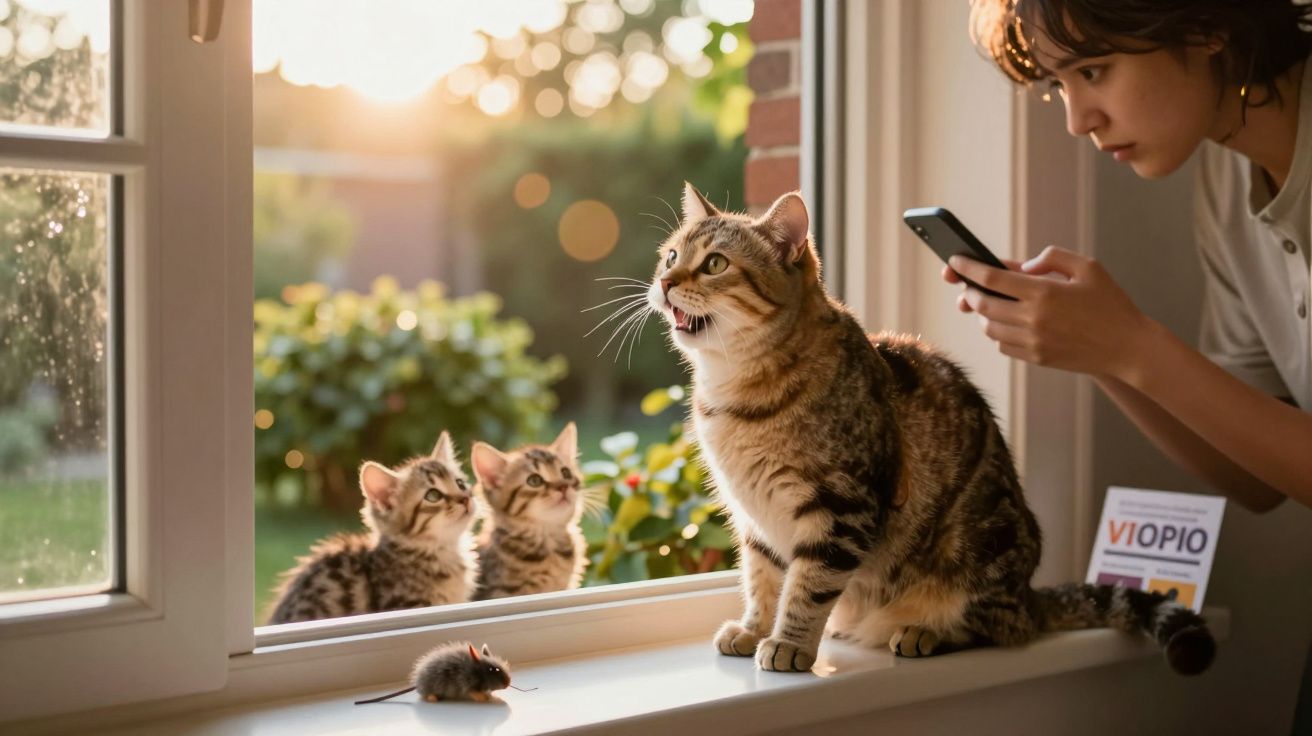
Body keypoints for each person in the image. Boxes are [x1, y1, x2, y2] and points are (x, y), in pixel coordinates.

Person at [956, 0, 1312, 513]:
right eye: (1058, 85)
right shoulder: (1227, 180)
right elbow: (1258, 481)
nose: (1078, 121)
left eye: (1093, 70)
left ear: (1205, 24)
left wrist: (1132, 346)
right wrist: (1099, 349)